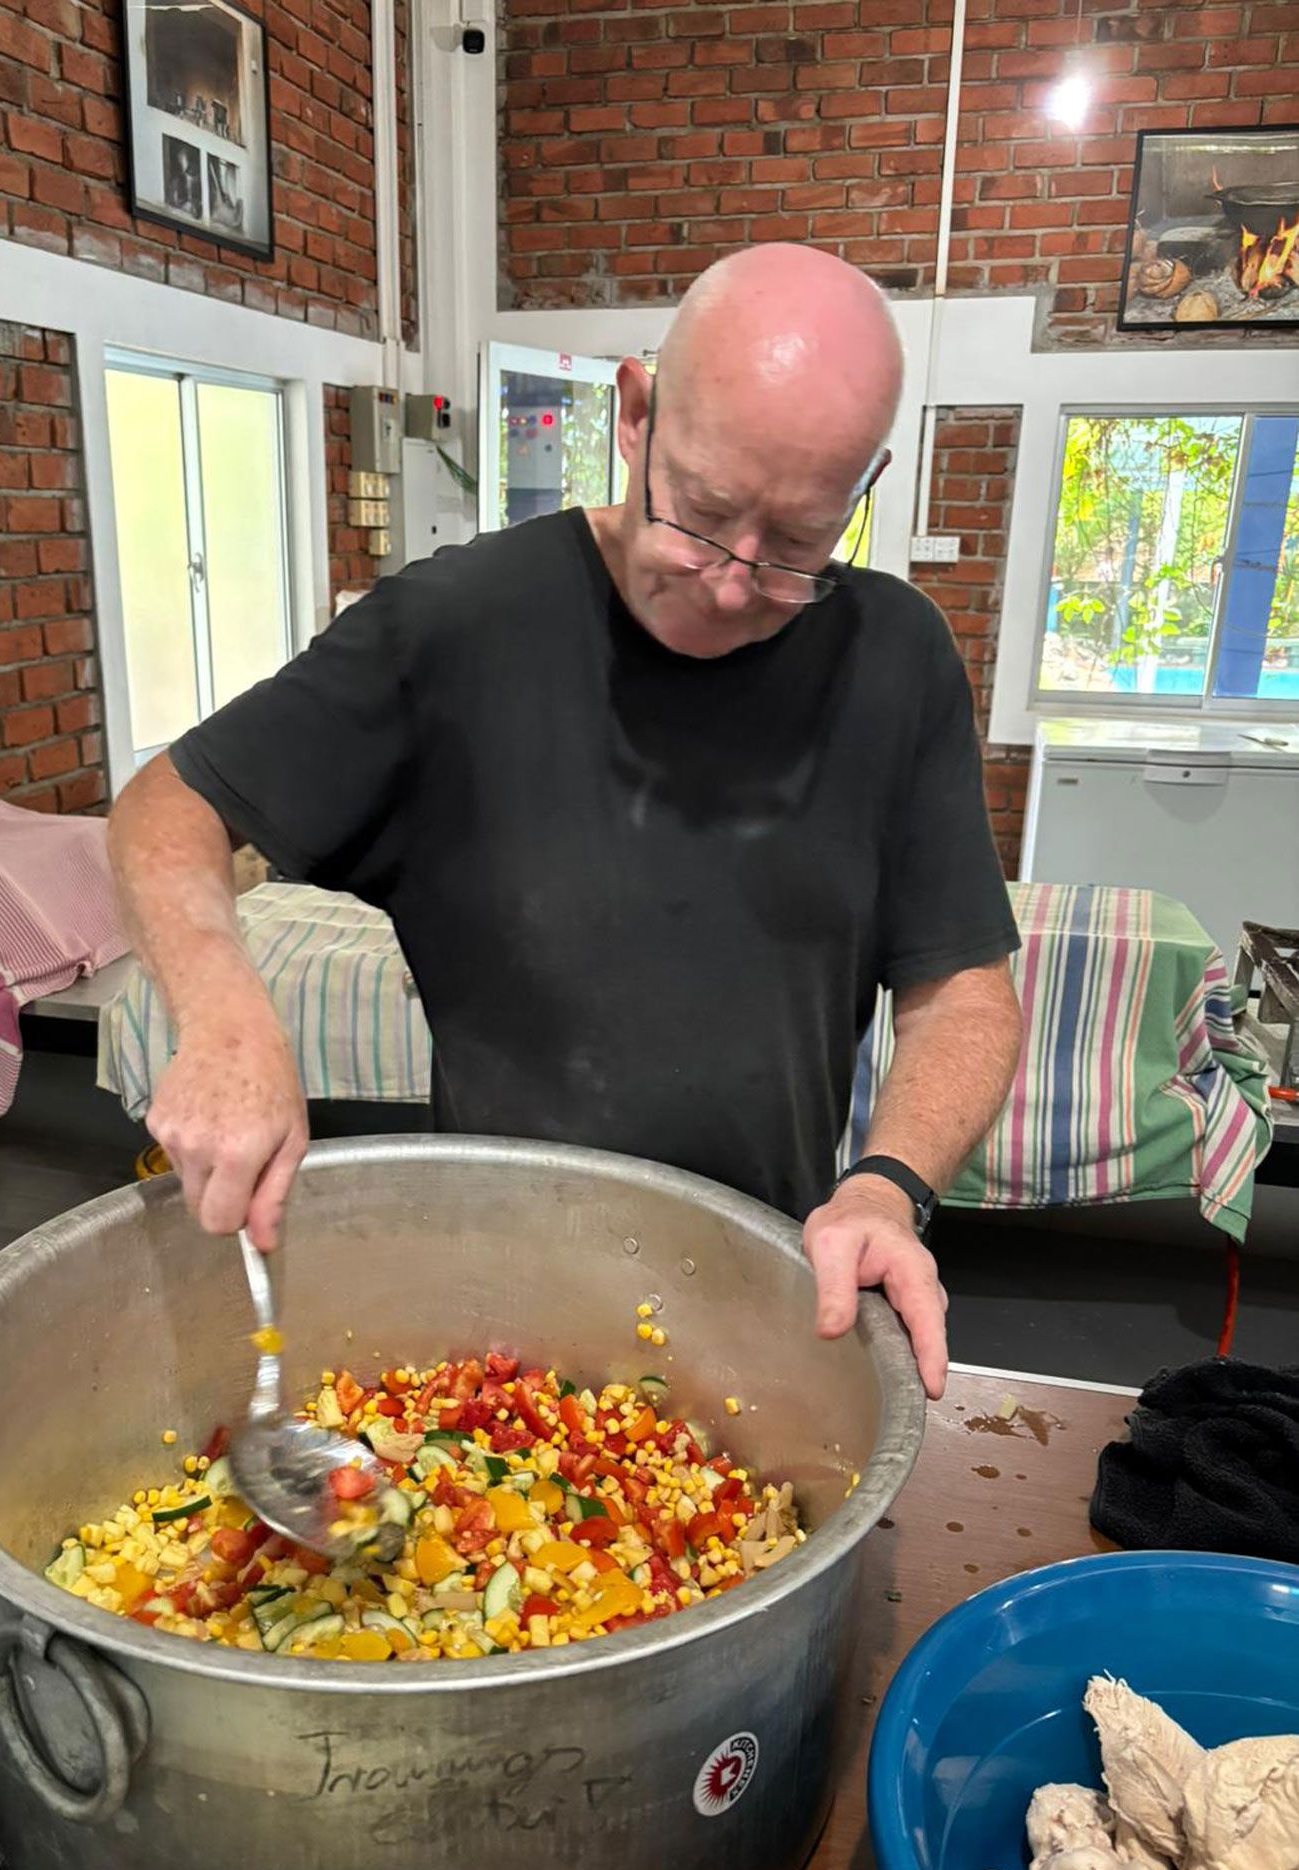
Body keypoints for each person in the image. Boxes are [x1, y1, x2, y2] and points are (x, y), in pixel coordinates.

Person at [109, 244, 1022, 1401]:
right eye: (701, 514)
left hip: (768, 1296)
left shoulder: (897, 658)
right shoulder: (457, 627)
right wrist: (224, 1016)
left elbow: (963, 990)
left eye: (796, 545)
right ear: (634, 416)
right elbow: (165, 807)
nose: (731, 581)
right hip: (493, 1306)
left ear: (865, 485)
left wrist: (887, 1186)